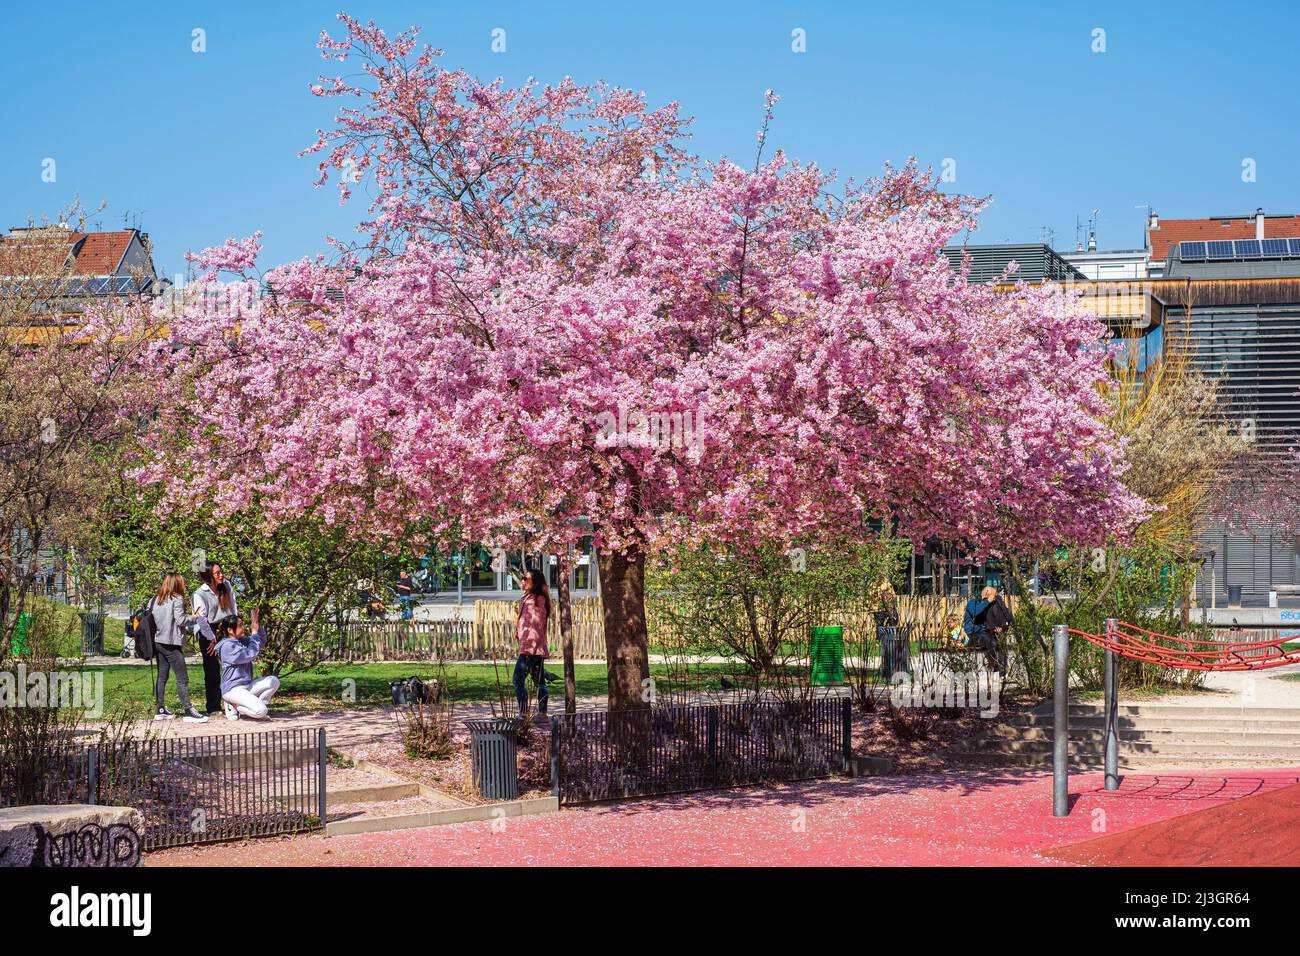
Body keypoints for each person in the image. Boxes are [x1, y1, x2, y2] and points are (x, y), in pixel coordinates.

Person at [150, 572, 213, 722]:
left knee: (162, 676)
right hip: (172, 643)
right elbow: (180, 620)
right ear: (177, 583)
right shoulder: (177, 599)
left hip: (158, 641)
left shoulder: (154, 600)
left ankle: (160, 709)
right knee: (182, 678)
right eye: (182, 582)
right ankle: (188, 710)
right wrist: (195, 618)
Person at [217, 607, 279, 720]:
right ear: (230, 630)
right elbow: (250, 654)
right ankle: (234, 705)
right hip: (233, 690)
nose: (243, 627)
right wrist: (254, 633)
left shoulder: (242, 640)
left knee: (273, 681)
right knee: (261, 711)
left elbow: (261, 641)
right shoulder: (227, 646)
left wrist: (256, 624)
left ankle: (254, 705)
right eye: (240, 625)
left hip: (248, 686)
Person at [194, 562, 238, 715]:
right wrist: (212, 639)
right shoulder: (199, 594)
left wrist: (236, 629)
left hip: (226, 628)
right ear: (208, 576)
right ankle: (213, 706)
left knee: (232, 666)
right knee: (212, 669)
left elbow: (233, 607)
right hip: (208, 630)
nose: (221, 575)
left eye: (221, 571)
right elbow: (201, 620)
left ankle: (234, 704)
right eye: (217, 573)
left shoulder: (226, 586)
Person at [513, 568, 550, 721]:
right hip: (531, 647)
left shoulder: (537, 600)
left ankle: (524, 713)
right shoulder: (529, 598)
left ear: (534, 582)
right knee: (539, 681)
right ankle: (542, 714)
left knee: (517, 679)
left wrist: (531, 646)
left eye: (525, 578)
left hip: (531, 648)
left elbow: (537, 624)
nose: (522, 580)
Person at [983, 586, 1013, 672]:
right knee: (992, 646)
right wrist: (993, 628)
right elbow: (987, 618)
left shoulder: (999, 602)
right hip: (991, 631)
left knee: (1001, 649)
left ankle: (1002, 669)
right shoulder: (987, 604)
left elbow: (1006, 615)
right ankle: (995, 666)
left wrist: (1003, 626)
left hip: (1001, 629)